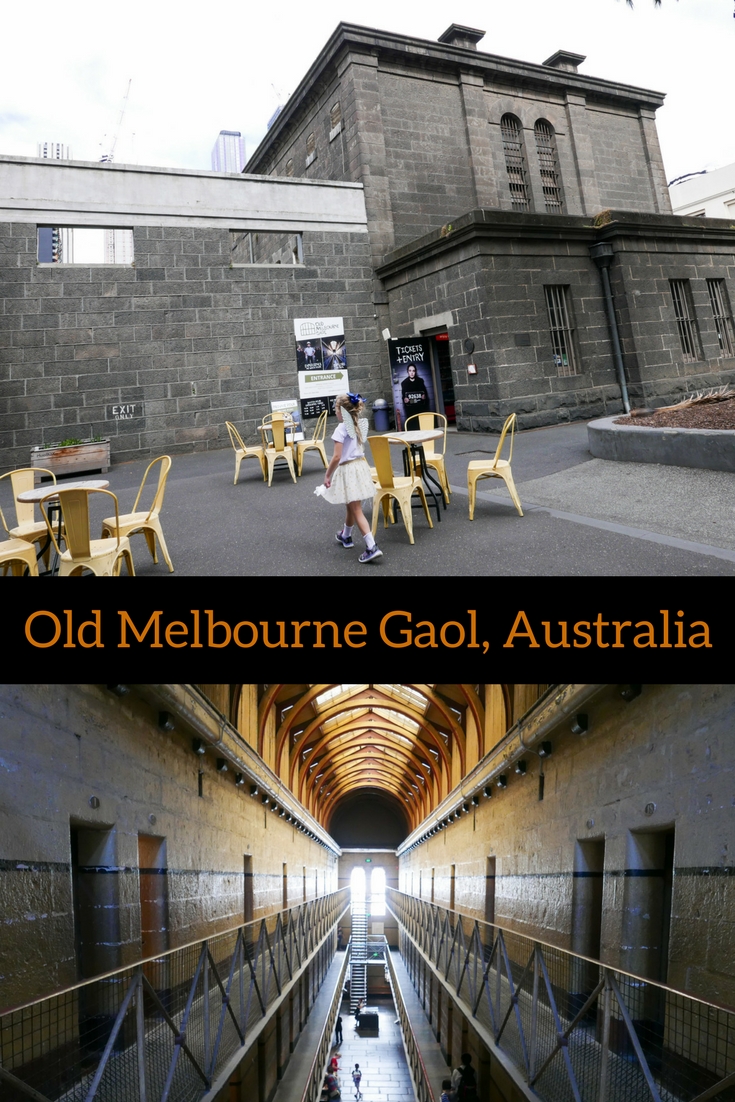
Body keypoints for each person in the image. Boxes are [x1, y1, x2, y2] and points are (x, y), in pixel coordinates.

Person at [321, 393, 382, 564]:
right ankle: (346, 536)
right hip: (360, 466)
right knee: (351, 505)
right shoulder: (359, 425)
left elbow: (336, 457)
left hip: (348, 469)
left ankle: (371, 546)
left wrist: (327, 474)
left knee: (356, 509)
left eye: (336, 409)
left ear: (341, 411)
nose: (335, 412)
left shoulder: (341, 428)